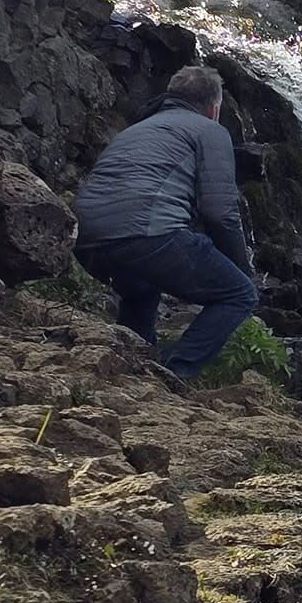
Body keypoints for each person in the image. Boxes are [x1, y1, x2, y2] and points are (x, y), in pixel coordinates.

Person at [74, 65, 259, 380]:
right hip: (148, 235)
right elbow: (220, 211)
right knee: (239, 293)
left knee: (142, 289)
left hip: (87, 240)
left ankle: (132, 362)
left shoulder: (136, 130)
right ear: (214, 108)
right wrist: (242, 269)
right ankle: (173, 372)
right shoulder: (210, 130)